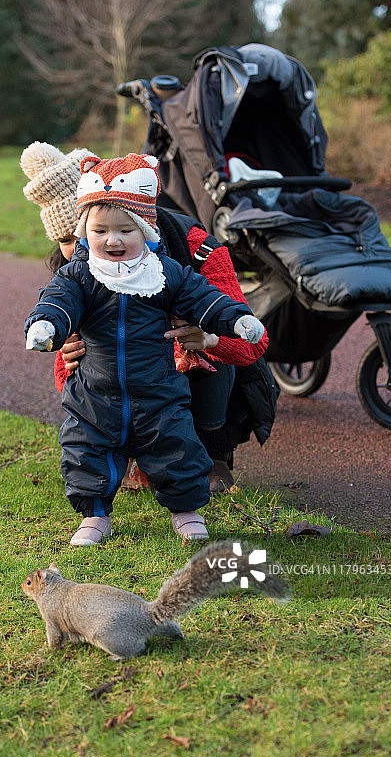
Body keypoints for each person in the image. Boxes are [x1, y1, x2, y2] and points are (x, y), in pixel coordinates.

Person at [24, 153, 266, 546]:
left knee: (173, 439)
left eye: (123, 229)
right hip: (101, 387)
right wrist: (54, 335)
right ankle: (94, 515)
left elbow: (208, 300)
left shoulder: (174, 263)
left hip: (159, 381)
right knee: (85, 444)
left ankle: (201, 481)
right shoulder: (81, 271)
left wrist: (217, 333)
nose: (104, 242)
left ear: (144, 228)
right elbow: (57, 304)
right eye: (82, 235)